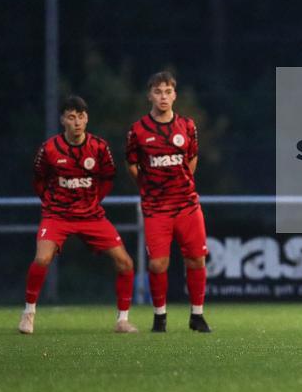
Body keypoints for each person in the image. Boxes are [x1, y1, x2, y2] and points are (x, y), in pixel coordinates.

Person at [20, 95, 138, 334]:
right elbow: (38, 179)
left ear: (87, 119)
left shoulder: (99, 147)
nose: (77, 122)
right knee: (42, 259)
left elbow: (107, 178)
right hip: (57, 216)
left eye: (81, 117)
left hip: (91, 216)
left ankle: (122, 320)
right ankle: (28, 313)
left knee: (125, 262)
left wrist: (93, 201)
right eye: (71, 117)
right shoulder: (50, 148)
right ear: (62, 119)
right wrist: (52, 203)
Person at [126, 72, 211, 333]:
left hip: (187, 204)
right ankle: (159, 316)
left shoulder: (186, 126)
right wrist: (150, 187)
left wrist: (180, 182)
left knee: (196, 259)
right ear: (149, 95)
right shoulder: (138, 130)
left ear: (174, 95)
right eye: (158, 91)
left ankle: (197, 316)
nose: (163, 96)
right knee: (157, 264)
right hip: (156, 208)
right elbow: (132, 164)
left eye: (168, 91)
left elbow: (192, 160)